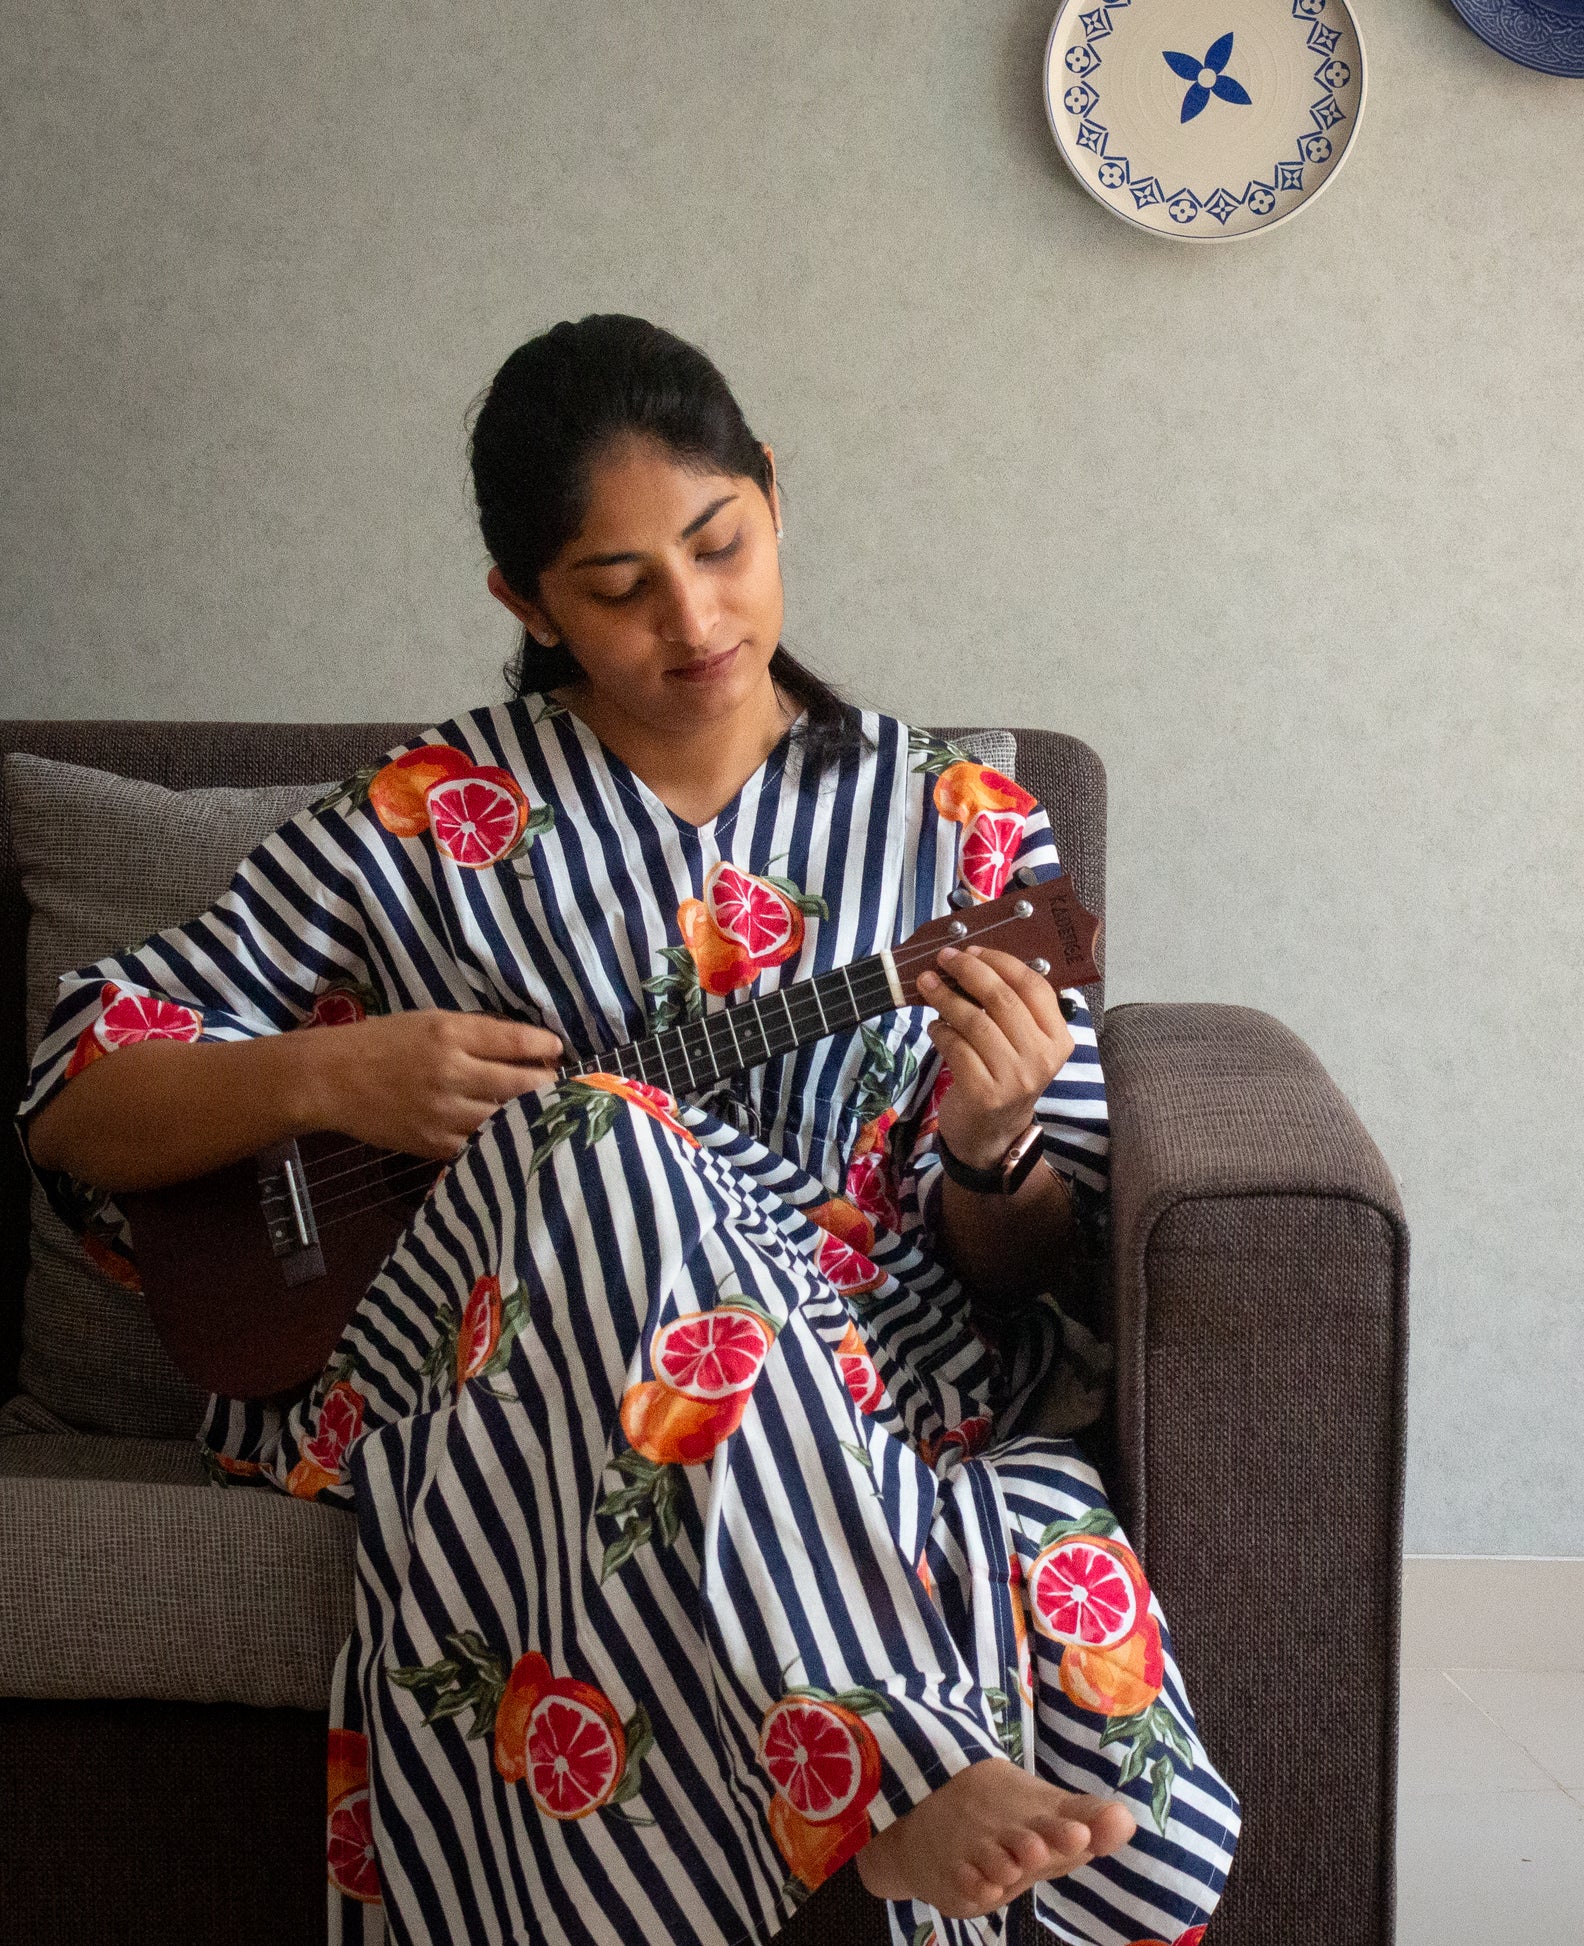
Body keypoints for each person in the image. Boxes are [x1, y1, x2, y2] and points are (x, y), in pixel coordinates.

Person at [18, 315, 1239, 1946]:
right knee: (600, 1136)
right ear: (526, 603)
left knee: (1084, 1695)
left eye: (719, 545)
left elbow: (1033, 1272)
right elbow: (75, 1090)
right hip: (477, 1356)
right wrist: (328, 1075)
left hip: (851, 1369)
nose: (695, 618)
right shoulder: (425, 816)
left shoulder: (958, 826)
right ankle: (892, 1761)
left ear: (772, 496)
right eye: (618, 585)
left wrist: (989, 1143)